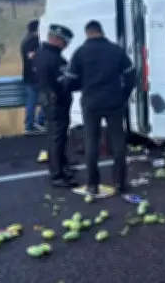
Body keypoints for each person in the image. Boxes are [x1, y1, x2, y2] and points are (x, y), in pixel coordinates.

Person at [64, 21, 136, 198]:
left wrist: (77, 87)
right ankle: (120, 183)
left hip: (91, 102)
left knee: (91, 142)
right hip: (114, 101)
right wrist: (123, 94)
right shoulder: (116, 50)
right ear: (102, 32)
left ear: (87, 33)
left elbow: (70, 78)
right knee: (118, 142)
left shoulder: (80, 52)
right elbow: (131, 72)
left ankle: (92, 184)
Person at [34, 24, 79, 188]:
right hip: (56, 101)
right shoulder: (53, 58)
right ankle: (57, 174)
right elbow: (60, 82)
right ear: (58, 40)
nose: (66, 45)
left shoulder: (41, 54)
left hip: (50, 100)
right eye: (65, 41)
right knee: (57, 138)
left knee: (57, 136)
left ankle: (62, 165)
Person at [21, 19, 46, 135]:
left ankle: (29, 125)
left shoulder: (25, 40)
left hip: (28, 75)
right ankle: (38, 122)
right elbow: (32, 56)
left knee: (31, 102)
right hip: (36, 76)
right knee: (47, 99)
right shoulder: (35, 41)